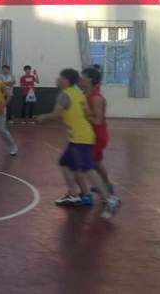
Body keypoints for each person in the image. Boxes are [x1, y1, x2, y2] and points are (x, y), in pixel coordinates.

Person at [37, 69, 120, 219]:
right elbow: (86, 113)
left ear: (66, 80)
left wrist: (43, 117)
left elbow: (56, 116)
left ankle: (109, 199)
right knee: (65, 163)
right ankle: (74, 195)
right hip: (79, 136)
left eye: (60, 78)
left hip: (80, 137)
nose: (57, 80)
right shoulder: (78, 94)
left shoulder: (65, 94)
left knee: (88, 168)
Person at [81, 68, 114, 195]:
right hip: (89, 134)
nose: (81, 79)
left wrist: (83, 116)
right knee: (96, 162)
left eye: (83, 76)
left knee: (85, 163)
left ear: (90, 79)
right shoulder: (83, 95)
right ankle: (107, 185)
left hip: (97, 135)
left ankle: (90, 192)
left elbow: (98, 121)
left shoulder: (96, 98)